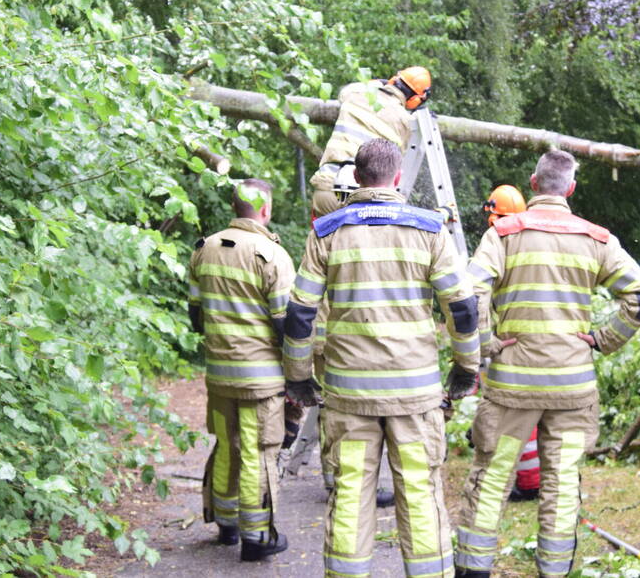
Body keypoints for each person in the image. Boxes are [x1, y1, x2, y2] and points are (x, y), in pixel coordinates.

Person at [283, 138, 480, 578]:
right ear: (395, 178)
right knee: (420, 493)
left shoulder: (327, 231)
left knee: (351, 494)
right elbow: (462, 307)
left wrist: (298, 377)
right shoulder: (430, 229)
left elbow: (300, 314)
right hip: (415, 395)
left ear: (357, 178)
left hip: (350, 397)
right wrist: (466, 367)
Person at [456, 150, 640, 578]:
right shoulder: (596, 239)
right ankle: (554, 570)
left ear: (533, 183)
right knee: (563, 483)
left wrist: (486, 344)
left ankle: (472, 569)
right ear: (571, 189)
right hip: (571, 388)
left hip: (513, 388)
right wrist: (604, 340)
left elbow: (469, 294)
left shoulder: (504, 234)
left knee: (492, 476)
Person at [188, 179, 295, 561]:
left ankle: (226, 525)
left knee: (226, 446)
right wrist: (299, 375)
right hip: (260, 380)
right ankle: (256, 539)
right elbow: (286, 326)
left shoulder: (204, 249)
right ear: (265, 210)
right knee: (257, 452)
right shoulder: (272, 256)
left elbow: (196, 316)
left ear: (235, 206)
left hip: (219, 375)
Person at [481, 185, 540, 503]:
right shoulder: (530, 239)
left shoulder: (496, 242)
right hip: (534, 341)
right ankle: (530, 476)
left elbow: (477, 297)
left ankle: (529, 481)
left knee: (515, 417)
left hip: (508, 343)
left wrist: (482, 342)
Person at [308, 67, 431, 218]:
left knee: (321, 240)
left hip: (325, 187)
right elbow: (397, 165)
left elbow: (345, 91)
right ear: (416, 99)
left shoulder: (354, 94)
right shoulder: (405, 122)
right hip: (362, 197)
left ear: (393, 79)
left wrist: (376, 83)